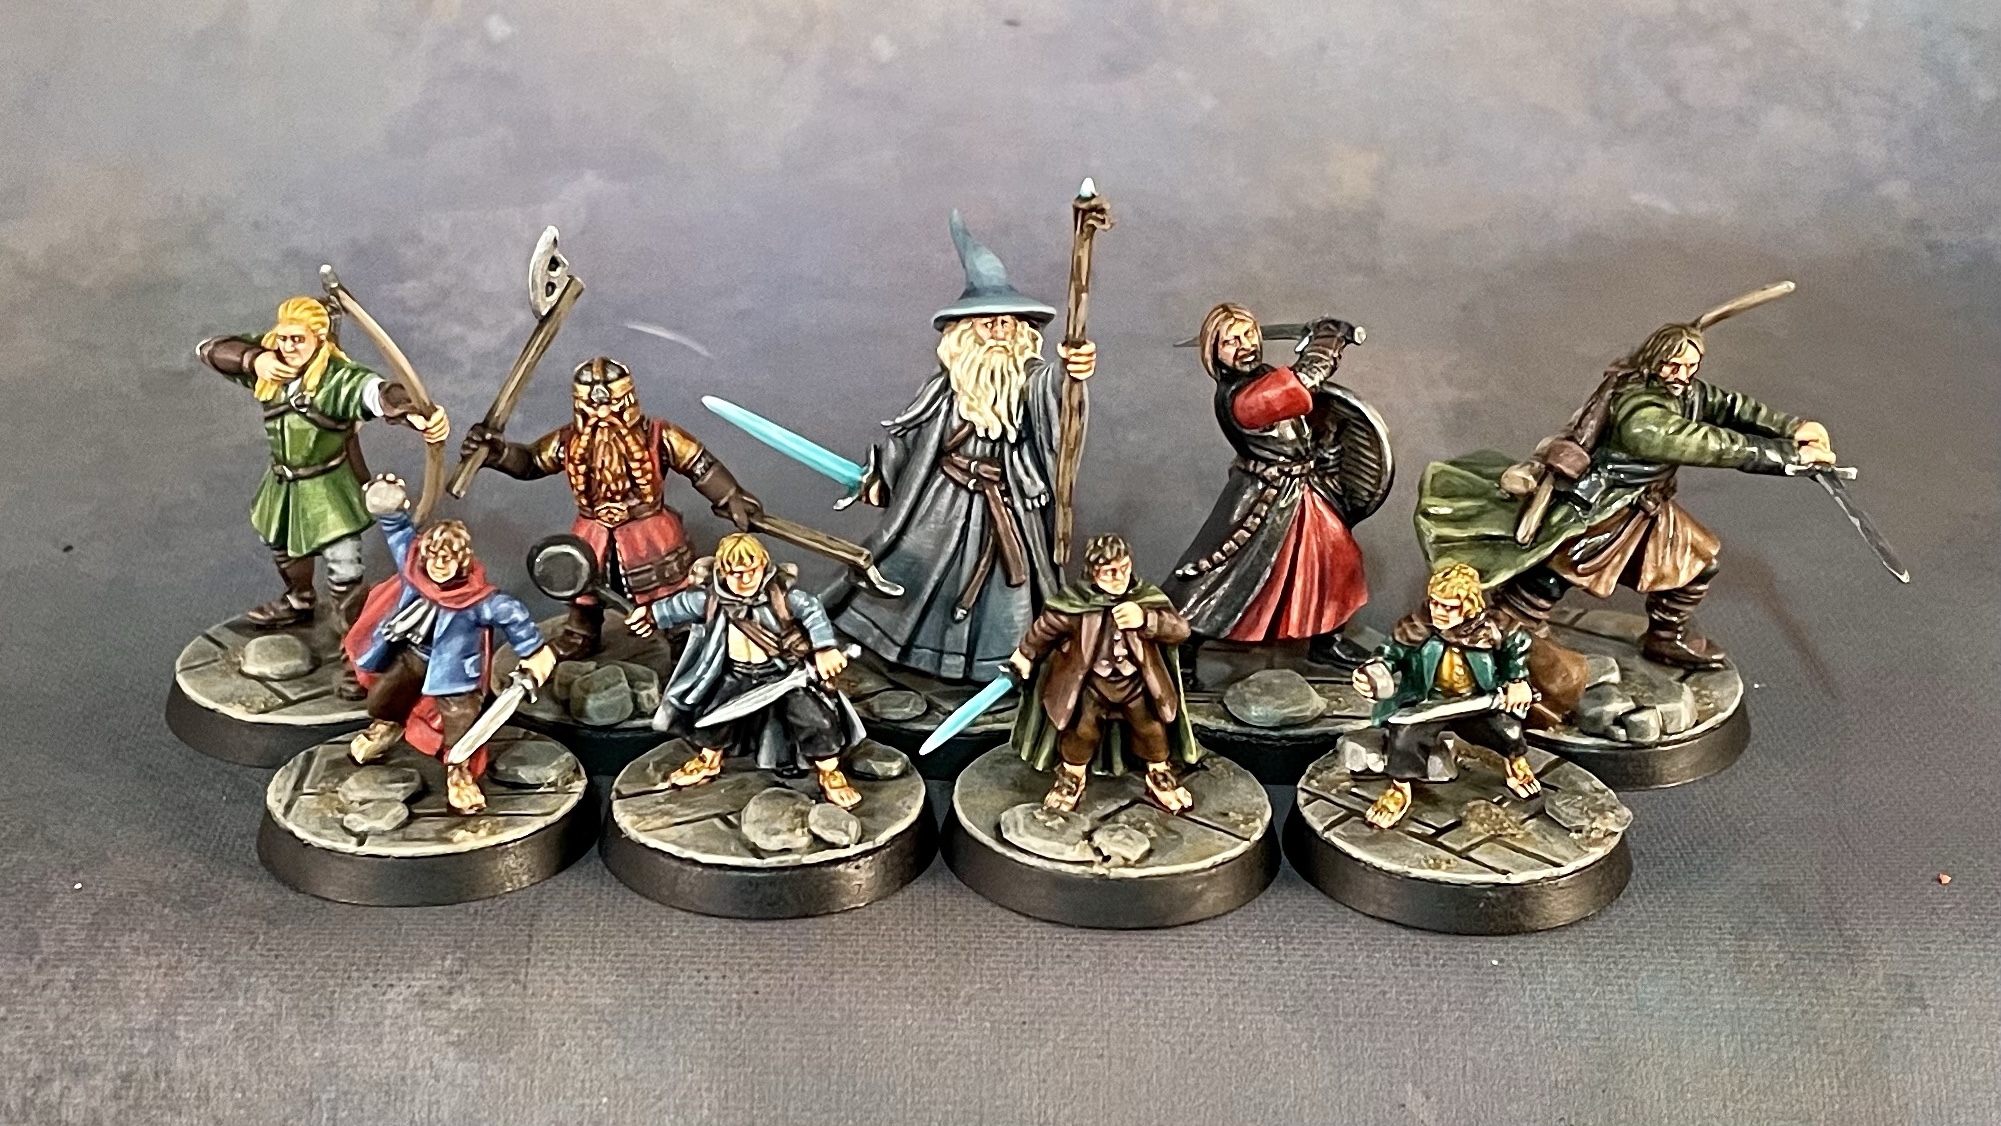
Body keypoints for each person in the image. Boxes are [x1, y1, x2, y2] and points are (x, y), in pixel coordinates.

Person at [1417, 317, 1837, 673]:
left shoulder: (1684, 391)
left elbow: (1729, 407)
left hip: (1646, 505)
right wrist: (1785, 457)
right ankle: (1506, 643)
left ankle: (1666, 637)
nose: (1682, 375)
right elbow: (1707, 444)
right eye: (1673, 365)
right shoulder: (1641, 412)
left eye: (1690, 366)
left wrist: (1791, 428)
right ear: (1654, 361)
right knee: (1554, 574)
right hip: (1603, 505)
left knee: (1700, 564)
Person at [822, 213, 1094, 682]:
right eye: (988, 323)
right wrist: (881, 474)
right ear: (965, 331)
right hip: (942, 505)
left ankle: (1000, 665)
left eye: (1007, 323)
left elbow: (1054, 395)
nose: (999, 333)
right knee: (912, 572)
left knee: (1008, 595)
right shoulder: (946, 387)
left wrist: (1072, 373)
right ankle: (904, 657)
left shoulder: (1029, 380)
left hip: (1007, 504)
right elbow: (910, 431)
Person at [460, 356, 761, 659]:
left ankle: (680, 633)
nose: (603, 413)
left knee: (666, 586)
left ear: (628, 399)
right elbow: (531, 462)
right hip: (593, 531)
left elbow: (700, 465)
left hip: (649, 532)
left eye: (613, 404)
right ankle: (581, 633)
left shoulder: (659, 435)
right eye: (593, 407)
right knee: (584, 588)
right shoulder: (569, 440)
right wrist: (500, 454)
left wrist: (730, 496)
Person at [198, 297, 448, 632]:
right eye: (283, 338)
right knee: (283, 546)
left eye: (297, 339)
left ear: (319, 339)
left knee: (343, 560)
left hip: (329, 485)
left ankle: (353, 627)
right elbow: (210, 350)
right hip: (284, 484)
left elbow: (374, 393)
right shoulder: (272, 363)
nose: (288, 347)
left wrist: (416, 412)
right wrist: (254, 359)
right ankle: (298, 600)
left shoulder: (336, 379)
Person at [1164, 303, 1380, 678]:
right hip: (1264, 496)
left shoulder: (1261, 376)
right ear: (1214, 352)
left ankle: (1326, 640)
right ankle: (1182, 642)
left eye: (1248, 333)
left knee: (1335, 559)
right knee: (1227, 573)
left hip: (1301, 489)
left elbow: (1302, 410)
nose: (1244, 344)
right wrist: (1330, 338)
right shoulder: (1244, 399)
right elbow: (1303, 380)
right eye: (1230, 341)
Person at [343, 475, 556, 815]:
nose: (439, 565)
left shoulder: (476, 599)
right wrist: (387, 503)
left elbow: (511, 613)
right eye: (434, 556)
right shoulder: (415, 571)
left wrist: (534, 652)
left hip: (455, 675)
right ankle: (387, 727)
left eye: (448, 558)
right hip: (411, 656)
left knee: (460, 726)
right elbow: (398, 533)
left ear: (462, 561)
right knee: (384, 699)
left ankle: (460, 773)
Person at [630, 533, 865, 809]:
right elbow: (678, 605)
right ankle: (709, 760)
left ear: (763, 566)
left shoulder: (782, 597)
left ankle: (829, 772)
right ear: (723, 572)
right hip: (735, 673)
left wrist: (824, 648)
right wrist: (650, 614)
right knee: (712, 716)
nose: (746, 580)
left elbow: (813, 612)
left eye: (752, 571)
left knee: (815, 719)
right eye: (736, 573)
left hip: (783, 675)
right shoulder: (711, 600)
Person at [1007, 533, 1201, 814]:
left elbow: (1180, 629)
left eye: (1124, 568)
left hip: (1136, 683)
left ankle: (1159, 773)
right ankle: (1072, 775)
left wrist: (1146, 619)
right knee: (1081, 732)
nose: (1119, 577)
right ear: (1093, 572)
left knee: (1151, 730)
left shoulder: (1144, 598)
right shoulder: (1076, 603)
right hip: (1091, 685)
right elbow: (1046, 628)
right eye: (1110, 571)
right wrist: (1025, 654)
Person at [1347, 563, 1539, 830]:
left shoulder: (1493, 628)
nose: (1438, 611)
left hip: (1478, 702)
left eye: (1449, 607)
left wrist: (1517, 681)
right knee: (1403, 738)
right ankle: (1400, 789)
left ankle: (1516, 764)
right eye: (1435, 603)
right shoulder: (1416, 628)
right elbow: (1389, 654)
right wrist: (1371, 673)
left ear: (1468, 606)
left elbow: (1517, 645)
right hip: (1428, 704)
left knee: (1508, 730)